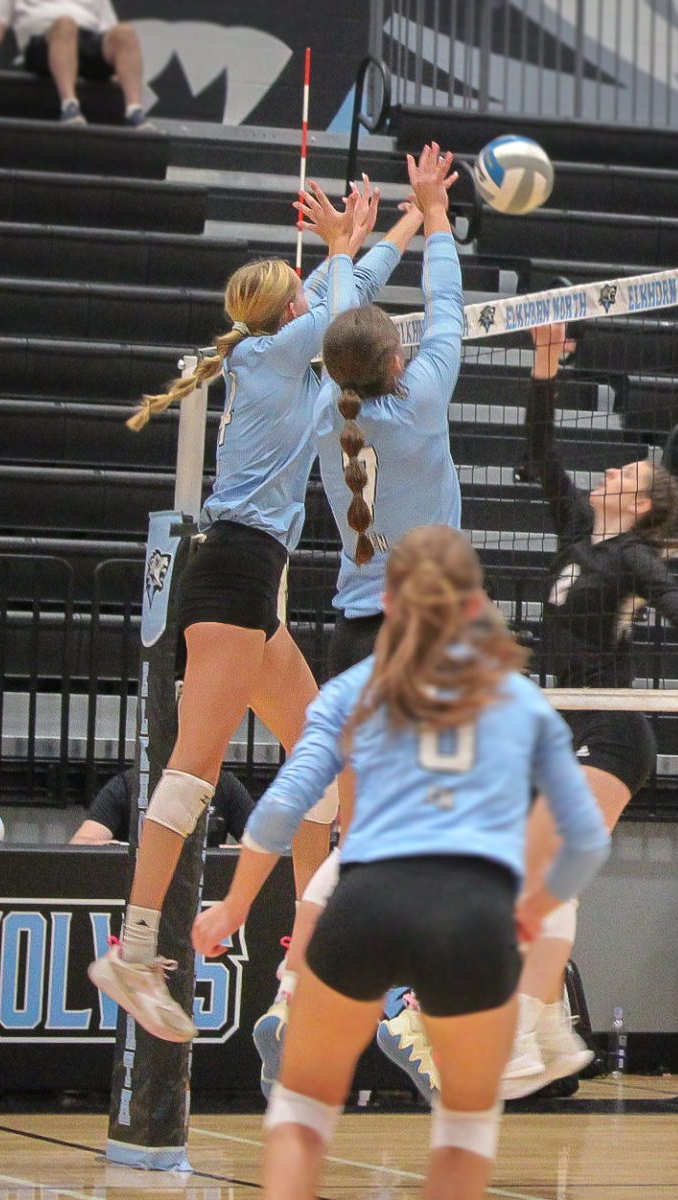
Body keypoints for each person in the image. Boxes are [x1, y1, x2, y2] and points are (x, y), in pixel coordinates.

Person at [87, 178, 423, 1044]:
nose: (316, 290)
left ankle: (305, 961)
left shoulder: (287, 354)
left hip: (252, 587)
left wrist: (411, 220)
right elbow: (349, 305)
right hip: (232, 575)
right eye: (305, 289)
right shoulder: (274, 356)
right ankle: (131, 951)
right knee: (193, 772)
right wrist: (347, 245)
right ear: (288, 312)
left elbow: (354, 298)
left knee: (321, 753)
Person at [192, 524, 612, 1200]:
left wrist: (235, 905)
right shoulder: (518, 702)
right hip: (473, 917)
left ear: (389, 602)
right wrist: (535, 915)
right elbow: (584, 837)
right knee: (464, 1131)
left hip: (367, 899)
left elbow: (281, 810)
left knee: (301, 1116)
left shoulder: (351, 694)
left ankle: (289, 1002)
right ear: (473, 606)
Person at [494, 320, 678, 1098]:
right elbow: (542, 453)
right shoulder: (580, 534)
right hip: (562, 729)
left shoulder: (636, 559)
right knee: (544, 878)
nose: (610, 469)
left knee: (542, 875)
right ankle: (546, 1026)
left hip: (614, 738)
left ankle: (527, 1023)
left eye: (625, 470)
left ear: (643, 502)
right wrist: (543, 369)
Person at [252, 141, 464, 1099]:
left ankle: (298, 989)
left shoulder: (341, 400)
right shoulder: (418, 406)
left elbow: (344, 317)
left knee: (360, 827)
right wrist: (434, 220)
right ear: (397, 357)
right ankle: (400, 1008)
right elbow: (447, 311)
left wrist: (360, 243)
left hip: (349, 633)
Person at [0, 1, 156, 129]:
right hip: (42, 43)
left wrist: (116, 69)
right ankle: (70, 106)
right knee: (66, 25)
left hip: (86, 41)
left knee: (125, 32)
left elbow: (110, 29)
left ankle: (134, 111)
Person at [70, 766, 254, 846]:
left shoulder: (224, 784)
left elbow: (264, 845)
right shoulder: (129, 784)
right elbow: (81, 845)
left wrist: (217, 854)